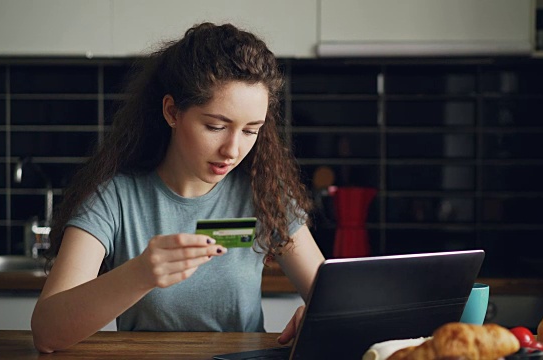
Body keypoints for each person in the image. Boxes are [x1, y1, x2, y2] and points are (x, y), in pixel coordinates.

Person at [30, 22, 325, 353]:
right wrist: (141, 273)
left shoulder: (266, 194)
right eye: (215, 126)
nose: (233, 150)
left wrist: (319, 317)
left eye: (250, 130)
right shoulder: (113, 199)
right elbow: (47, 332)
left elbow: (331, 298)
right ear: (172, 111)